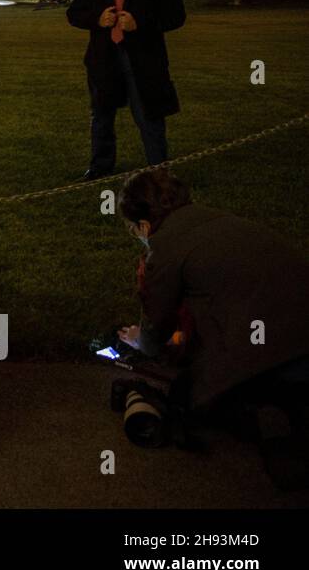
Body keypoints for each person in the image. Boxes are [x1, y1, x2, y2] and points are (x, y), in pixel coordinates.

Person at [116, 169, 309, 487]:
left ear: (144, 225)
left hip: (270, 354)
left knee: (195, 397)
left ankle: (266, 415)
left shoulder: (164, 249)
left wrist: (142, 336)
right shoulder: (222, 221)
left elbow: (158, 327)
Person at [66, 0, 186, 180]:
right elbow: (74, 13)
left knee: (148, 116)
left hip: (144, 59)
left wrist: (139, 22)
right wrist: (97, 18)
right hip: (103, 58)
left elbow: (176, 16)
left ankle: (159, 170)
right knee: (101, 115)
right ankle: (100, 168)